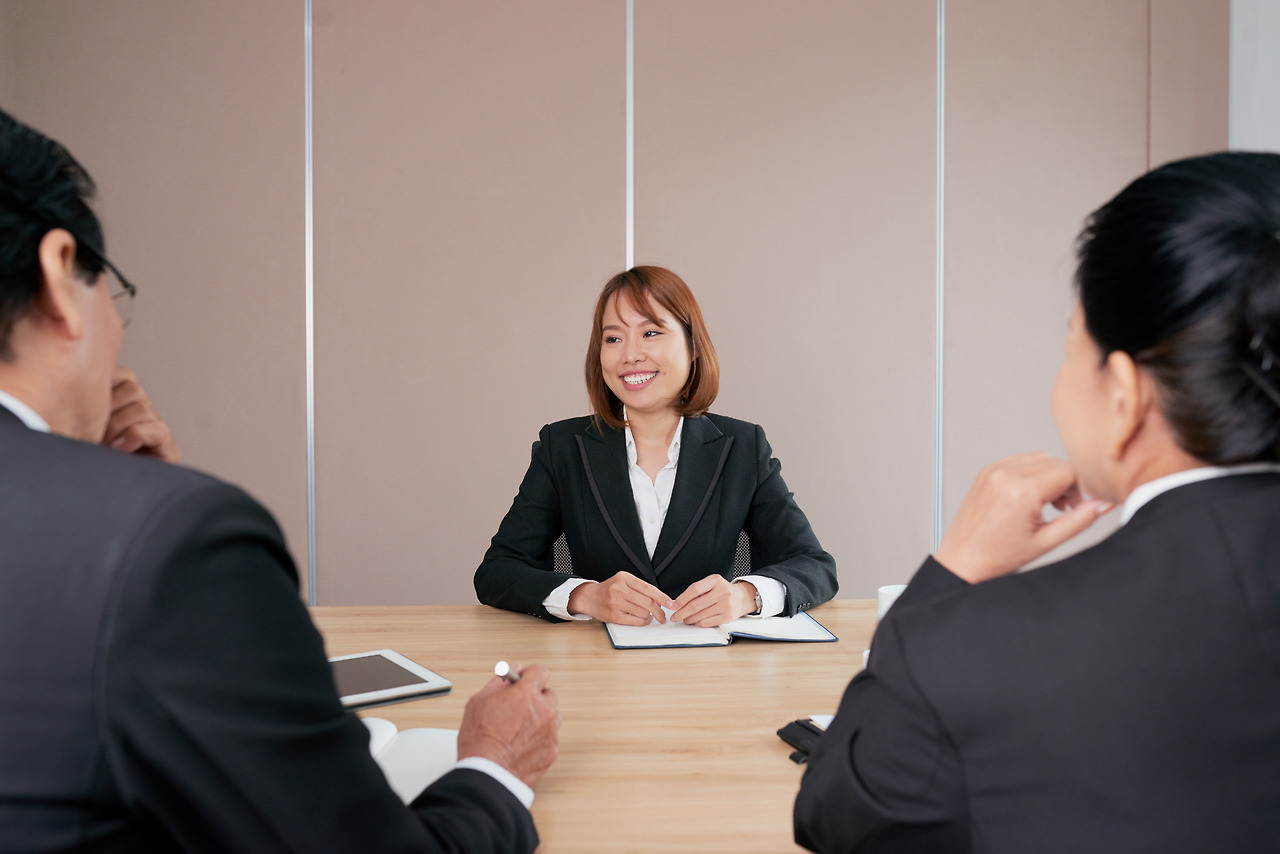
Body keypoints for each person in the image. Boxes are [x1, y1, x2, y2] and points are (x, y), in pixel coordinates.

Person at [0, 108, 560, 853]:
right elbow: (504, 569)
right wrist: (495, 767)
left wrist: (121, 497)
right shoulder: (176, 546)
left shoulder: (738, 447)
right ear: (58, 274)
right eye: (114, 291)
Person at [794, 152, 1280, 852]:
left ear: (1123, 395)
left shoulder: (974, 650)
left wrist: (952, 571)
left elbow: (840, 817)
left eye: (1068, 349)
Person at [475, 265, 837, 627]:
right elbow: (498, 571)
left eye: (650, 333)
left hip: (710, 668)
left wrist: (746, 595)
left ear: (693, 347)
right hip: (598, 666)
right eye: (613, 338)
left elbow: (814, 566)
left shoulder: (742, 448)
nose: (630, 354)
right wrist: (586, 595)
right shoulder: (564, 448)